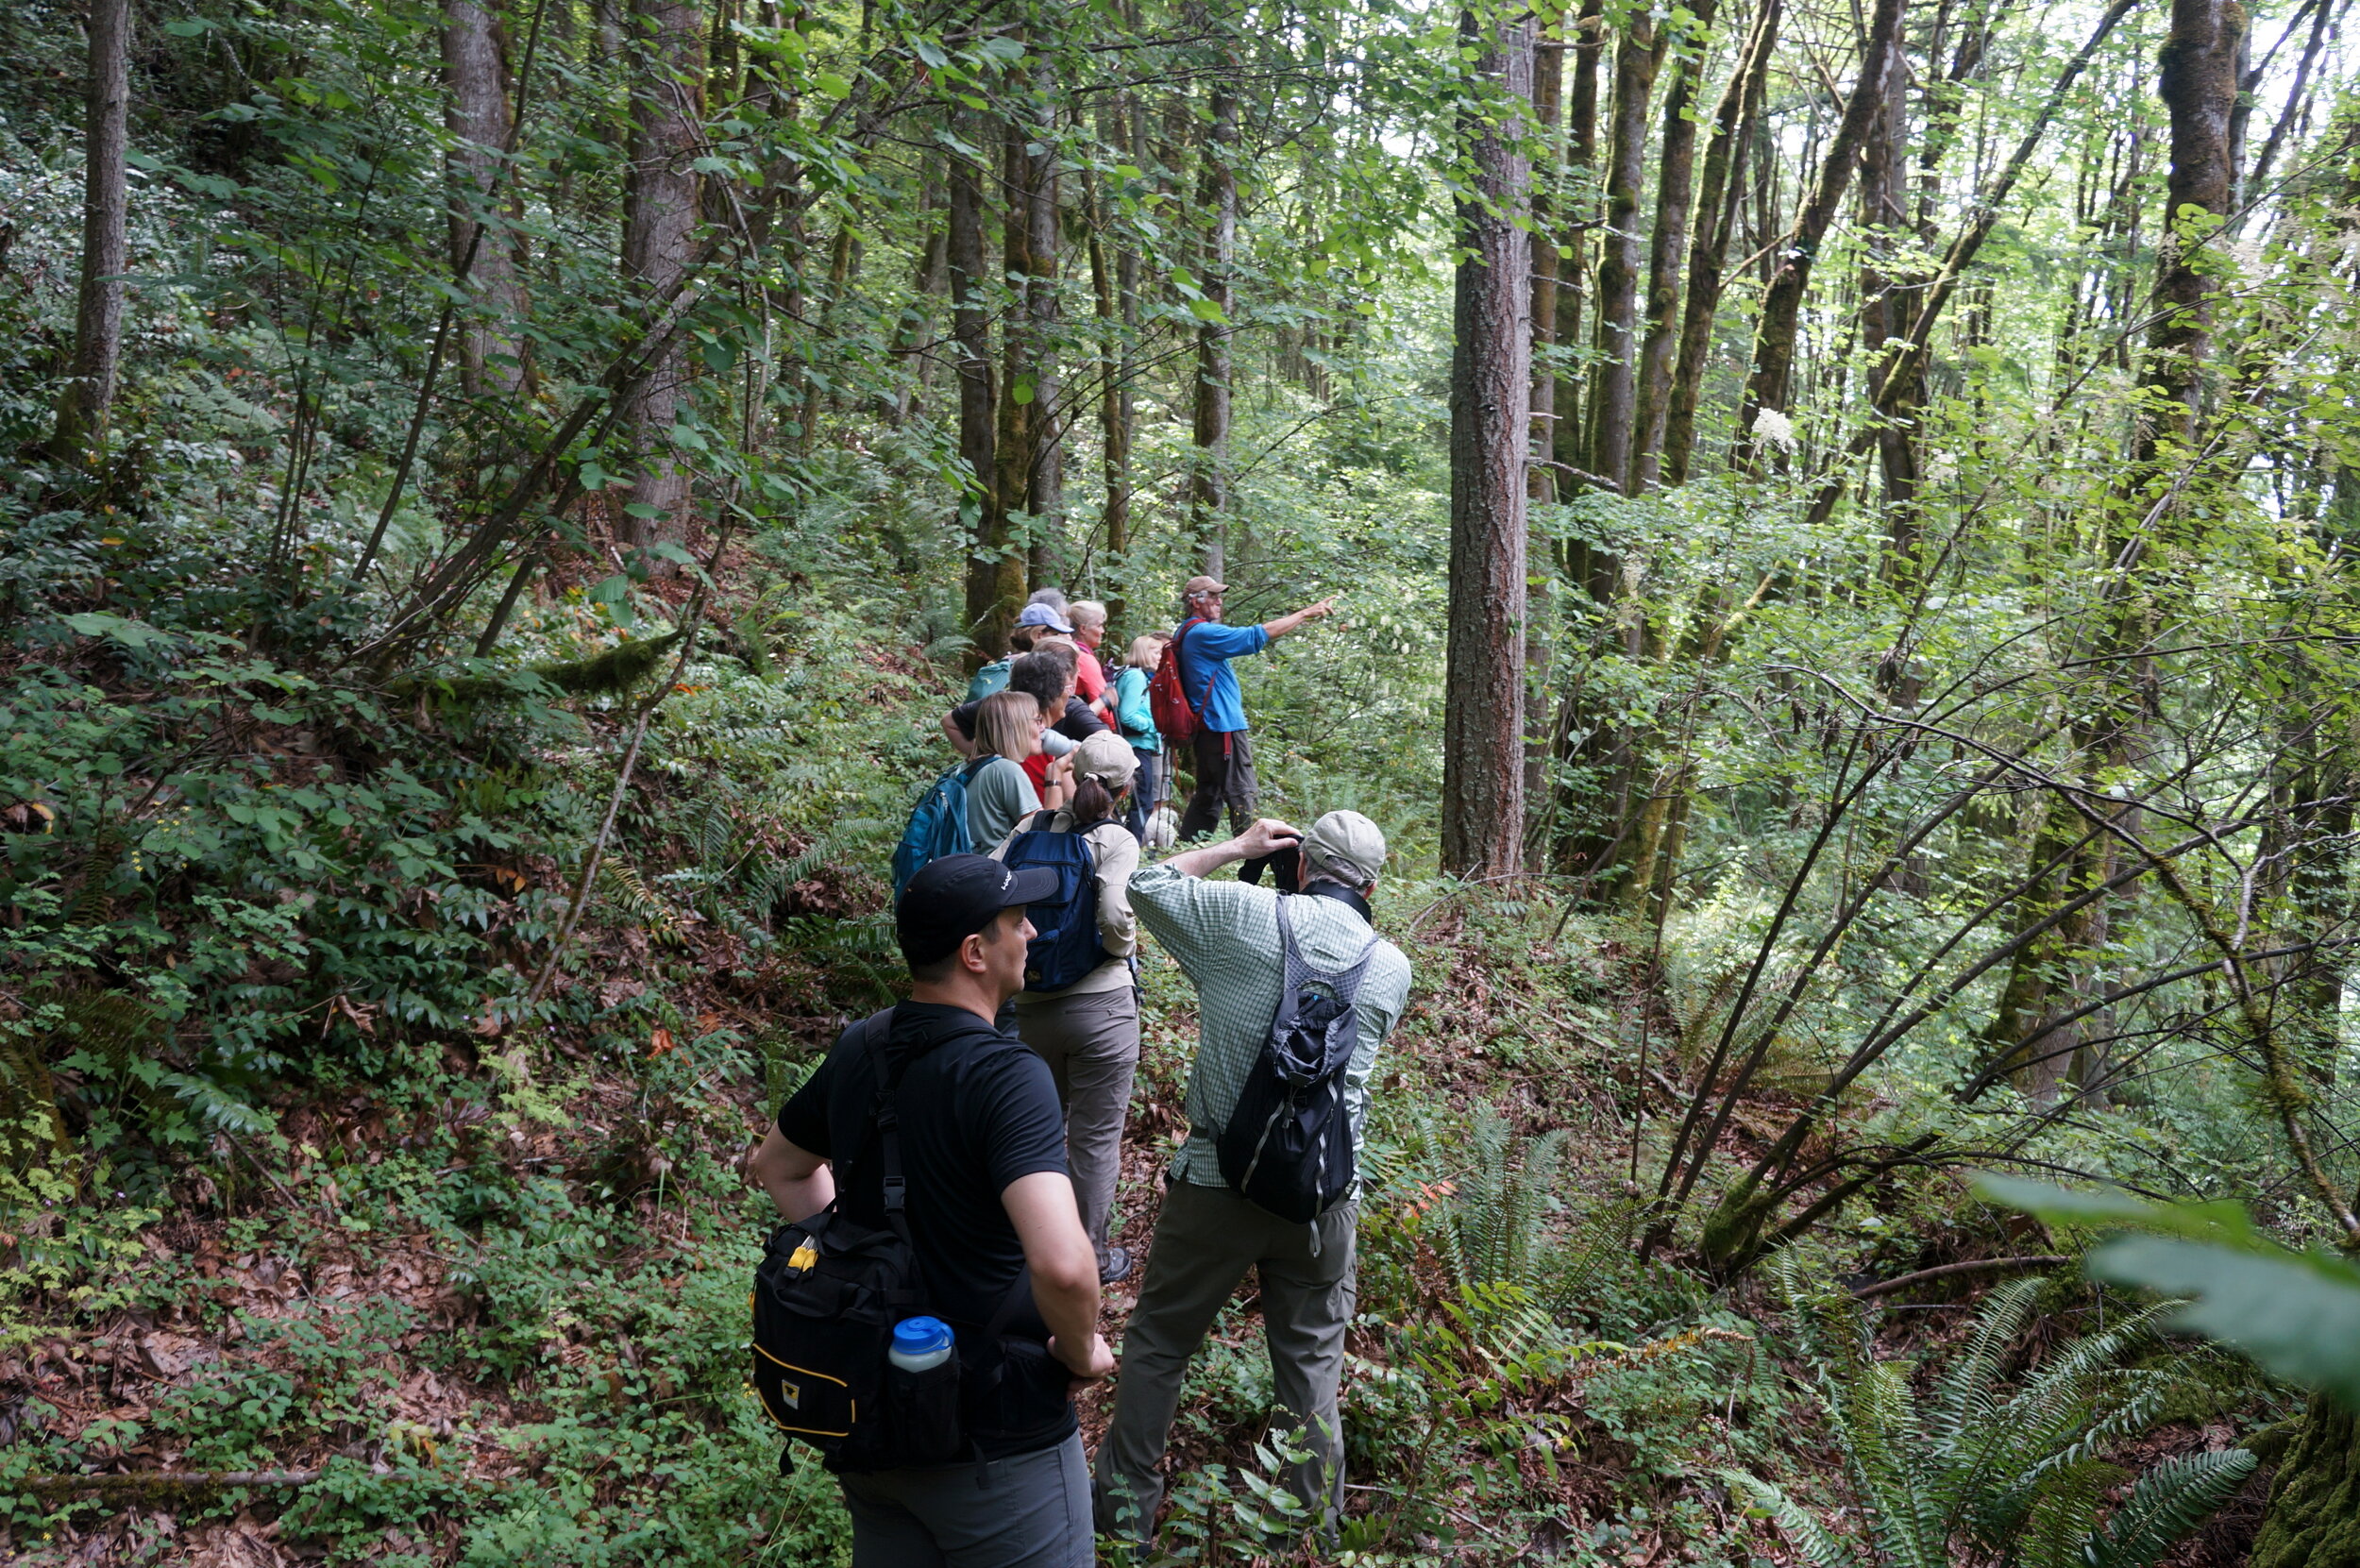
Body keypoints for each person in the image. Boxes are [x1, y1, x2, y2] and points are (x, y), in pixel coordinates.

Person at [747, 854, 1115, 1567]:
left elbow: (780, 1165)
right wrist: (1080, 1352)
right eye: (1017, 921)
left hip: (875, 1417)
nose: (1033, 933)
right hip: (999, 1444)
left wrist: (859, 1265)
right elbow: (1065, 1267)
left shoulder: (863, 1046)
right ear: (975, 952)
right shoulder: (1007, 1076)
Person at [1094, 811, 1411, 1547]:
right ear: (1370, 887)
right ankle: (1303, 1538)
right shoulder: (1391, 967)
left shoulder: (1242, 914)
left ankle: (1123, 1522)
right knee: (1311, 1367)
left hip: (1216, 1180)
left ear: (1300, 864)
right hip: (1322, 1200)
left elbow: (1143, 884)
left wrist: (1237, 848)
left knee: (1159, 1344)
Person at [990, 731, 1143, 1283]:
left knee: (1036, 1133)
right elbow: (1116, 915)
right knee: (1094, 1141)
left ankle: (1027, 1250)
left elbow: (986, 884)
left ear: (1073, 776)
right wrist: (1121, 950)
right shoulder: (1116, 839)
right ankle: (1087, 1261)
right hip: (1102, 1008)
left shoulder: (1029, 828)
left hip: (1032, 1006)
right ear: (1125, 789)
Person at [1170, 576, 1337, 841]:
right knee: (1241, 790)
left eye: (1219, 596)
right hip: (1222, 726)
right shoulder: (1202, 633)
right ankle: (1252, 854)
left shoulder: (1185, 632)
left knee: (1208, 794)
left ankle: (1187, 848)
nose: (1219, 601)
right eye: (1213, 596)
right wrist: (1305, 613)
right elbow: (1257, 635)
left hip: (1209, 727)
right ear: (1195, 601)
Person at [969, 688, 1069, 850]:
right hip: (994, 865)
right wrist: (1055, 777)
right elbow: (1044, 839)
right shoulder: (1006, 770)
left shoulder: (969, 767)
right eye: (1038, 720)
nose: (1043, 728)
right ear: (1017, 726)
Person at [1111, 633, 1168, 843]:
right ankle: (1132, 847)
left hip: (1137, 745)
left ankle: (1129, 843)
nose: (1160, 657)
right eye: (1156, 652)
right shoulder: (1135, 677)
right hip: (1136, 746)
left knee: (1141, 801)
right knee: (1142, 802)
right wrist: (1154, 725)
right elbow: (1127, 715)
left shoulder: (1135, 675)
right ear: (1143, 652)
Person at [1067, 599, 1111, 707]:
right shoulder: (1083, 658)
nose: (1102, 631)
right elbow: (1103, 708)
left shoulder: (1065, 650)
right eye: (1099, 626)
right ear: (1083, 628)